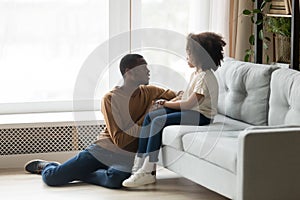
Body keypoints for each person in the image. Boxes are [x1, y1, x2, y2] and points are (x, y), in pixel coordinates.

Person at [24, 54, 178, 189]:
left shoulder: (151, 92)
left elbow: (180, 96)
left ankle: (82, 174)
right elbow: (121, 141)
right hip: (102, 151)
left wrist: (167, 104)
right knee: (52, 178)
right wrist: (148, 114)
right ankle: (48, 166)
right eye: (144, 68)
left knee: (115, 180)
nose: (148, 71)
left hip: (127, 157)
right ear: (129, 72)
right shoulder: (111, 99)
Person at [122, 32, 226, 187]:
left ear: (200, 56)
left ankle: (148, 170)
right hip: (192, 112)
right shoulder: (197, 74)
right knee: (152, 116)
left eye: (189, 53)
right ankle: (138, 166)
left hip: (201, 116)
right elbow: (185, 99)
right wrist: (169, 102)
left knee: (159, 120)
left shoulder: (205, 77)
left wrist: (165, 103)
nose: (187, 56)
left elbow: (188, 105)